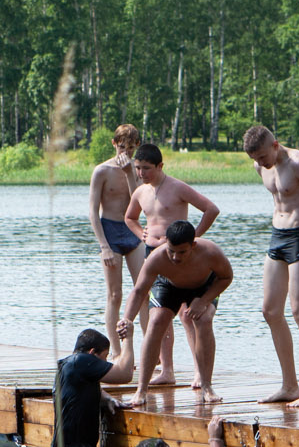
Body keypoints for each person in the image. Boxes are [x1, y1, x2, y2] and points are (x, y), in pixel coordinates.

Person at [243, 124, 299, 407]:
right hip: (277, 236)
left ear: (275, 144)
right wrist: (260, 164)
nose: (260, 163)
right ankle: (290, 385)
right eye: (255, 159)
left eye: (262, 156)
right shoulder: (261, 167)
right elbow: (277, 198)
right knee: (270, 310)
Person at [124, 143, 221, 386]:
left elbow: (211, 209)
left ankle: (200, 372)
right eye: (137, 168)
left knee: (188, 316)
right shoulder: (140, 192)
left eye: (146, 168)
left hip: (179, 253)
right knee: (160, 315)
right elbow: (129, 217)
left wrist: (193, 237)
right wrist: (141, 235)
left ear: (160, 166)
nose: (141, 173)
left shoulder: (177, 187)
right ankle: (166, 370)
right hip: (153, 254)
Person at [121, 220, 234, 406]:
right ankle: (141, 390)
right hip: (168, 285)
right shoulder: (157, 258)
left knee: (204, 320)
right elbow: (139, 291)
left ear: (193, 245)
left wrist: (204, 300)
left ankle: (207, 386)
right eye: (171, 250)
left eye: (182, 252)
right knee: (156, 321)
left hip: (203, 288)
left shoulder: (211, 252)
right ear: (166, 243)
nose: (175, 257)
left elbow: (226, 277)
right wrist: (127, 319)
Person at [53, 322, 138, 447]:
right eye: (104, 358)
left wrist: (106, 398)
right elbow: (125, 374)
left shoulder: (67, 365)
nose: (104, 364)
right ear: (92, 353)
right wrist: (128, 338)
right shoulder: (82, 360)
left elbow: (84, 387)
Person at [88, 124, 146, 349]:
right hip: (110, 231)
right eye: (122, 147)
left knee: (141, 290)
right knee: (115, 295)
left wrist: (130, 172)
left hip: (132, 230)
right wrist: (104, 246)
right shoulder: (101, 171)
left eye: (131, 149)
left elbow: (137, 203)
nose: (126, 153)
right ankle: (116, 351)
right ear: (114, 144)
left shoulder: (138, 170)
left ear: (137, 147)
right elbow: (93, 211)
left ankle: (148, 348)